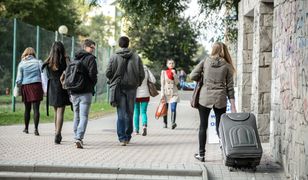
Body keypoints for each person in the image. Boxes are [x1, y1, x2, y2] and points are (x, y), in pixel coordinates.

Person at [190, 42, 237, 162]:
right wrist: (233, 105)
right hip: (220, 98)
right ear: (223, 51)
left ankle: (201, 155)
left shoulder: (206, 61)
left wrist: (202, 76)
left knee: (203, 126)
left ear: (213, 49)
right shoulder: (227, 66)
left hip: (205, 98)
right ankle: (226, 153)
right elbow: (230, 87)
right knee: (220, 127)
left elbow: (192, 75)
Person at [106, 36, 145, 146]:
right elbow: (142, 74)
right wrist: (137, 83)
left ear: (119, 44)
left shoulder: (114, 56)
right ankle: (128, 136)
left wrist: (112, 80)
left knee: (121, 113)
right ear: (128, 44)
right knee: (130, 112)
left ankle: (122, 138)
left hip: (118, 87)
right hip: (132, 88)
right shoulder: (136, 57)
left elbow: (108, 72)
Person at [42, 41, 71, 144]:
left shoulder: (48, 61)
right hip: (62, 87)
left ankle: (56, 132)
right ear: (62, 49)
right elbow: (70, 71)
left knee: (56, 111)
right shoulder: (65, 60)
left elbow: (44, 73)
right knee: (60, 112)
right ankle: (58, 134)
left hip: (52, 88)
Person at [71, 39, 98, 149]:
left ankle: (75, 137)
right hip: (85, 91)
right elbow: (93, 75)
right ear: (86, 47)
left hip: (74, 91)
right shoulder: (91, 59)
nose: (93, 50)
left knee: (76, 115)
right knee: (83, 116)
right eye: (92, 47)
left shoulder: (75, 57)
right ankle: (79, 138)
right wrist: (92, 83)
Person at [16, 47, 44, 136]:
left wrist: (17, 86)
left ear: (25, 54)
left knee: (27, 109)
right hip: (37, 85)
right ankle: (36, 129)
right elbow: (43, 75)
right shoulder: (39, 62)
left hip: (26, 87)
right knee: (36, 109)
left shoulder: (22, 64)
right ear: (33, 54)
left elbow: (19, 79)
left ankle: (26, 128)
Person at [133, 65, 156, 136]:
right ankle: (144, 125)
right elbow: (153, 80)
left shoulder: (133, 69)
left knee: (136, 112)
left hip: (136, 94)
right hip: (145, 94)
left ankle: (136, 130)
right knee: (143, 112)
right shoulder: (146, 70)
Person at [160, 59, 180, 129]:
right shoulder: (163, 72)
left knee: (173, 108)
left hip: (174, 93)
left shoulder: (176, 72)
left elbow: (177, 83)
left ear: (174, 65)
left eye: (172, 63)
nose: (171, 64)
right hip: (166, 93)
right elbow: (162, 84)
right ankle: (165, 123)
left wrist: (174, 74)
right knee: (165, 109)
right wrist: (162, 94)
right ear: (167, 65)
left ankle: (173, 123)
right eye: (169, 63)